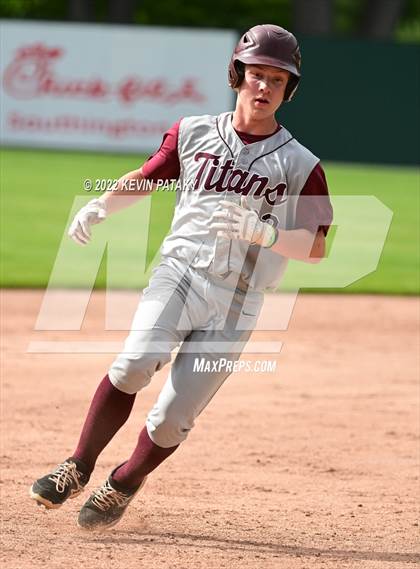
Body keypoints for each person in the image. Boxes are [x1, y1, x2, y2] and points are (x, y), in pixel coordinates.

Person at [30, 24, 333, 531]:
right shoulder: (192, 131)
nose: (264, 88)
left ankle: (123, 482)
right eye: (256, 75)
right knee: (132, 364)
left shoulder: (302, 165)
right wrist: (101, 205)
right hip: (179, 276)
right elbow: (148, 175)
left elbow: (318, 247)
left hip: (239, 300)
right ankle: (77, 465)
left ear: (288, 90)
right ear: (237, 76)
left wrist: (265, 234)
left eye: (276, 81)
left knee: (173, 417)